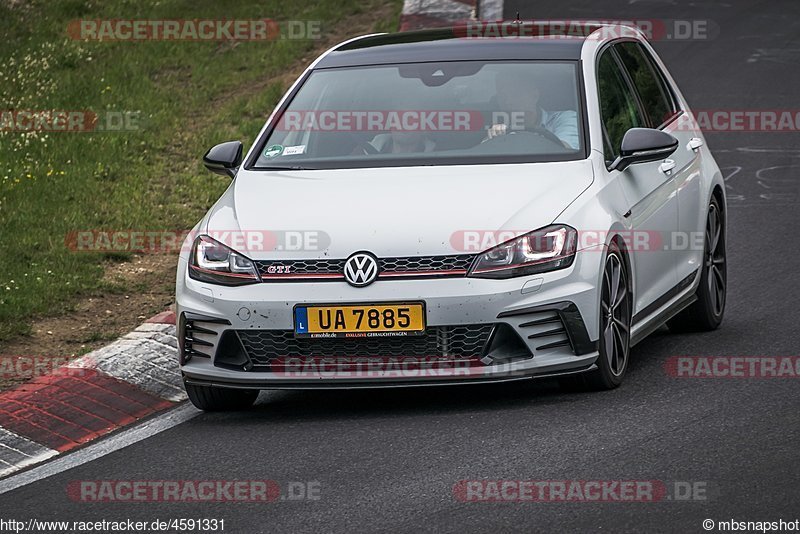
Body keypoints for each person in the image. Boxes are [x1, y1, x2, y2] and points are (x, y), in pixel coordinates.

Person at [485, 71, 579, 150]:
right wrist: (496, 140)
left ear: (535, 96)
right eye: (502, 96)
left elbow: (565, 152)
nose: (508, 101)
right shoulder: (498, 131)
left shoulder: (565, 119)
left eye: (515, 94)